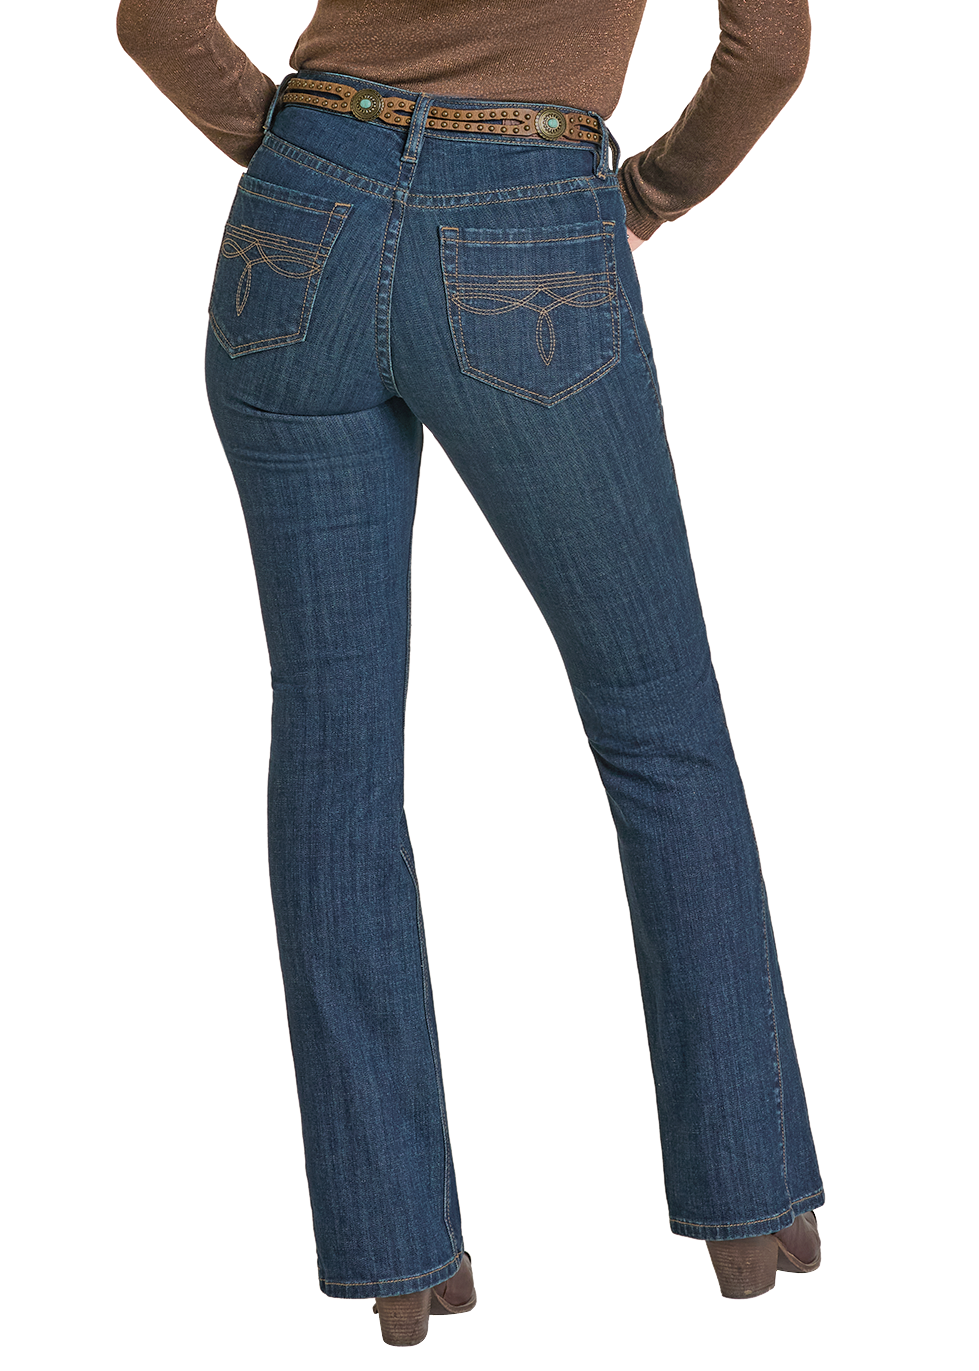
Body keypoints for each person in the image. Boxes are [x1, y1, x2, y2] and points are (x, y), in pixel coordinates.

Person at [115, 0, 824, 1342]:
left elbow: (152, 16)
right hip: (532, 220)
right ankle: (748, 1208)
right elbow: (771, 47)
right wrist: (651, 196)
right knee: (658, 725)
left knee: (331, 744)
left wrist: (296, 152)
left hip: (299, 214)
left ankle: (395, 1259)